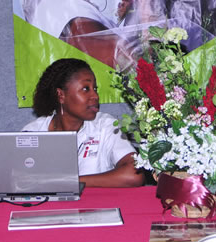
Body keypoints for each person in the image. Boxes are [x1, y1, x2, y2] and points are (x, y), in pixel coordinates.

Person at [23, 58, 143, 187]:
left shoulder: (106, 125)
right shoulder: (33, 132)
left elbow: (134, 175)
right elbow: (17, 181)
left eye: (95, 89)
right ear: (61, 95)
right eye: (86, 89)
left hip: (97, 206)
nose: (95, 96)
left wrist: (69, 182)